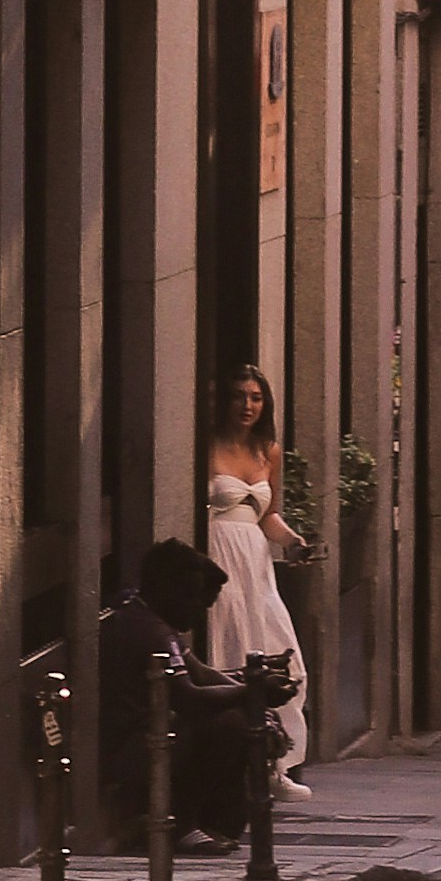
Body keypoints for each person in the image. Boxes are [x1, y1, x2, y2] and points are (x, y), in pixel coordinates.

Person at [95, 541, 256, 847]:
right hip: (129, 746)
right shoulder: (151, 630)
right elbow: (189, 698)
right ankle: (181, 824)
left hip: (146, 734)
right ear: (165, 590)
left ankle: (212, 821)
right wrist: (249, 694)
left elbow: (201, 673)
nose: (197, 610)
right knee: (228, 724)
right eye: (192, 598)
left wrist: (249, 687)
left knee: (233, 715)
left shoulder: (150, 619)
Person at [205, 363, 312, 791]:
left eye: (255, 397)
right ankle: (237, 767)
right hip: (218, 554)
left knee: (278, 653)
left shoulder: (267, 450)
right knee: (228, 653)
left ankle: (275, 764)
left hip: (255, 561)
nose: (246, 405)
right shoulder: (208, 445)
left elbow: (268, 516)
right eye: (238, 396)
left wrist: (293, 542)